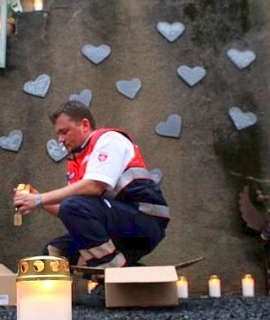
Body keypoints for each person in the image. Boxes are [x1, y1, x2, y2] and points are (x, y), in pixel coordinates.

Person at [12, 101, 170, 269]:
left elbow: (94, 187)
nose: (60, 139)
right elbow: (72, 212)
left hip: (146, 222)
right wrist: (39, 202)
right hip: (120, 225)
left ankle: (110, 276)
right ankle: (130, 272)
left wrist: (39, 199)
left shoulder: (109, 140)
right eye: (58, 134)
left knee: (73, 206)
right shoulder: (76, 160)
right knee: (55, 252)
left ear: (85, 125)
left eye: (64, 132)